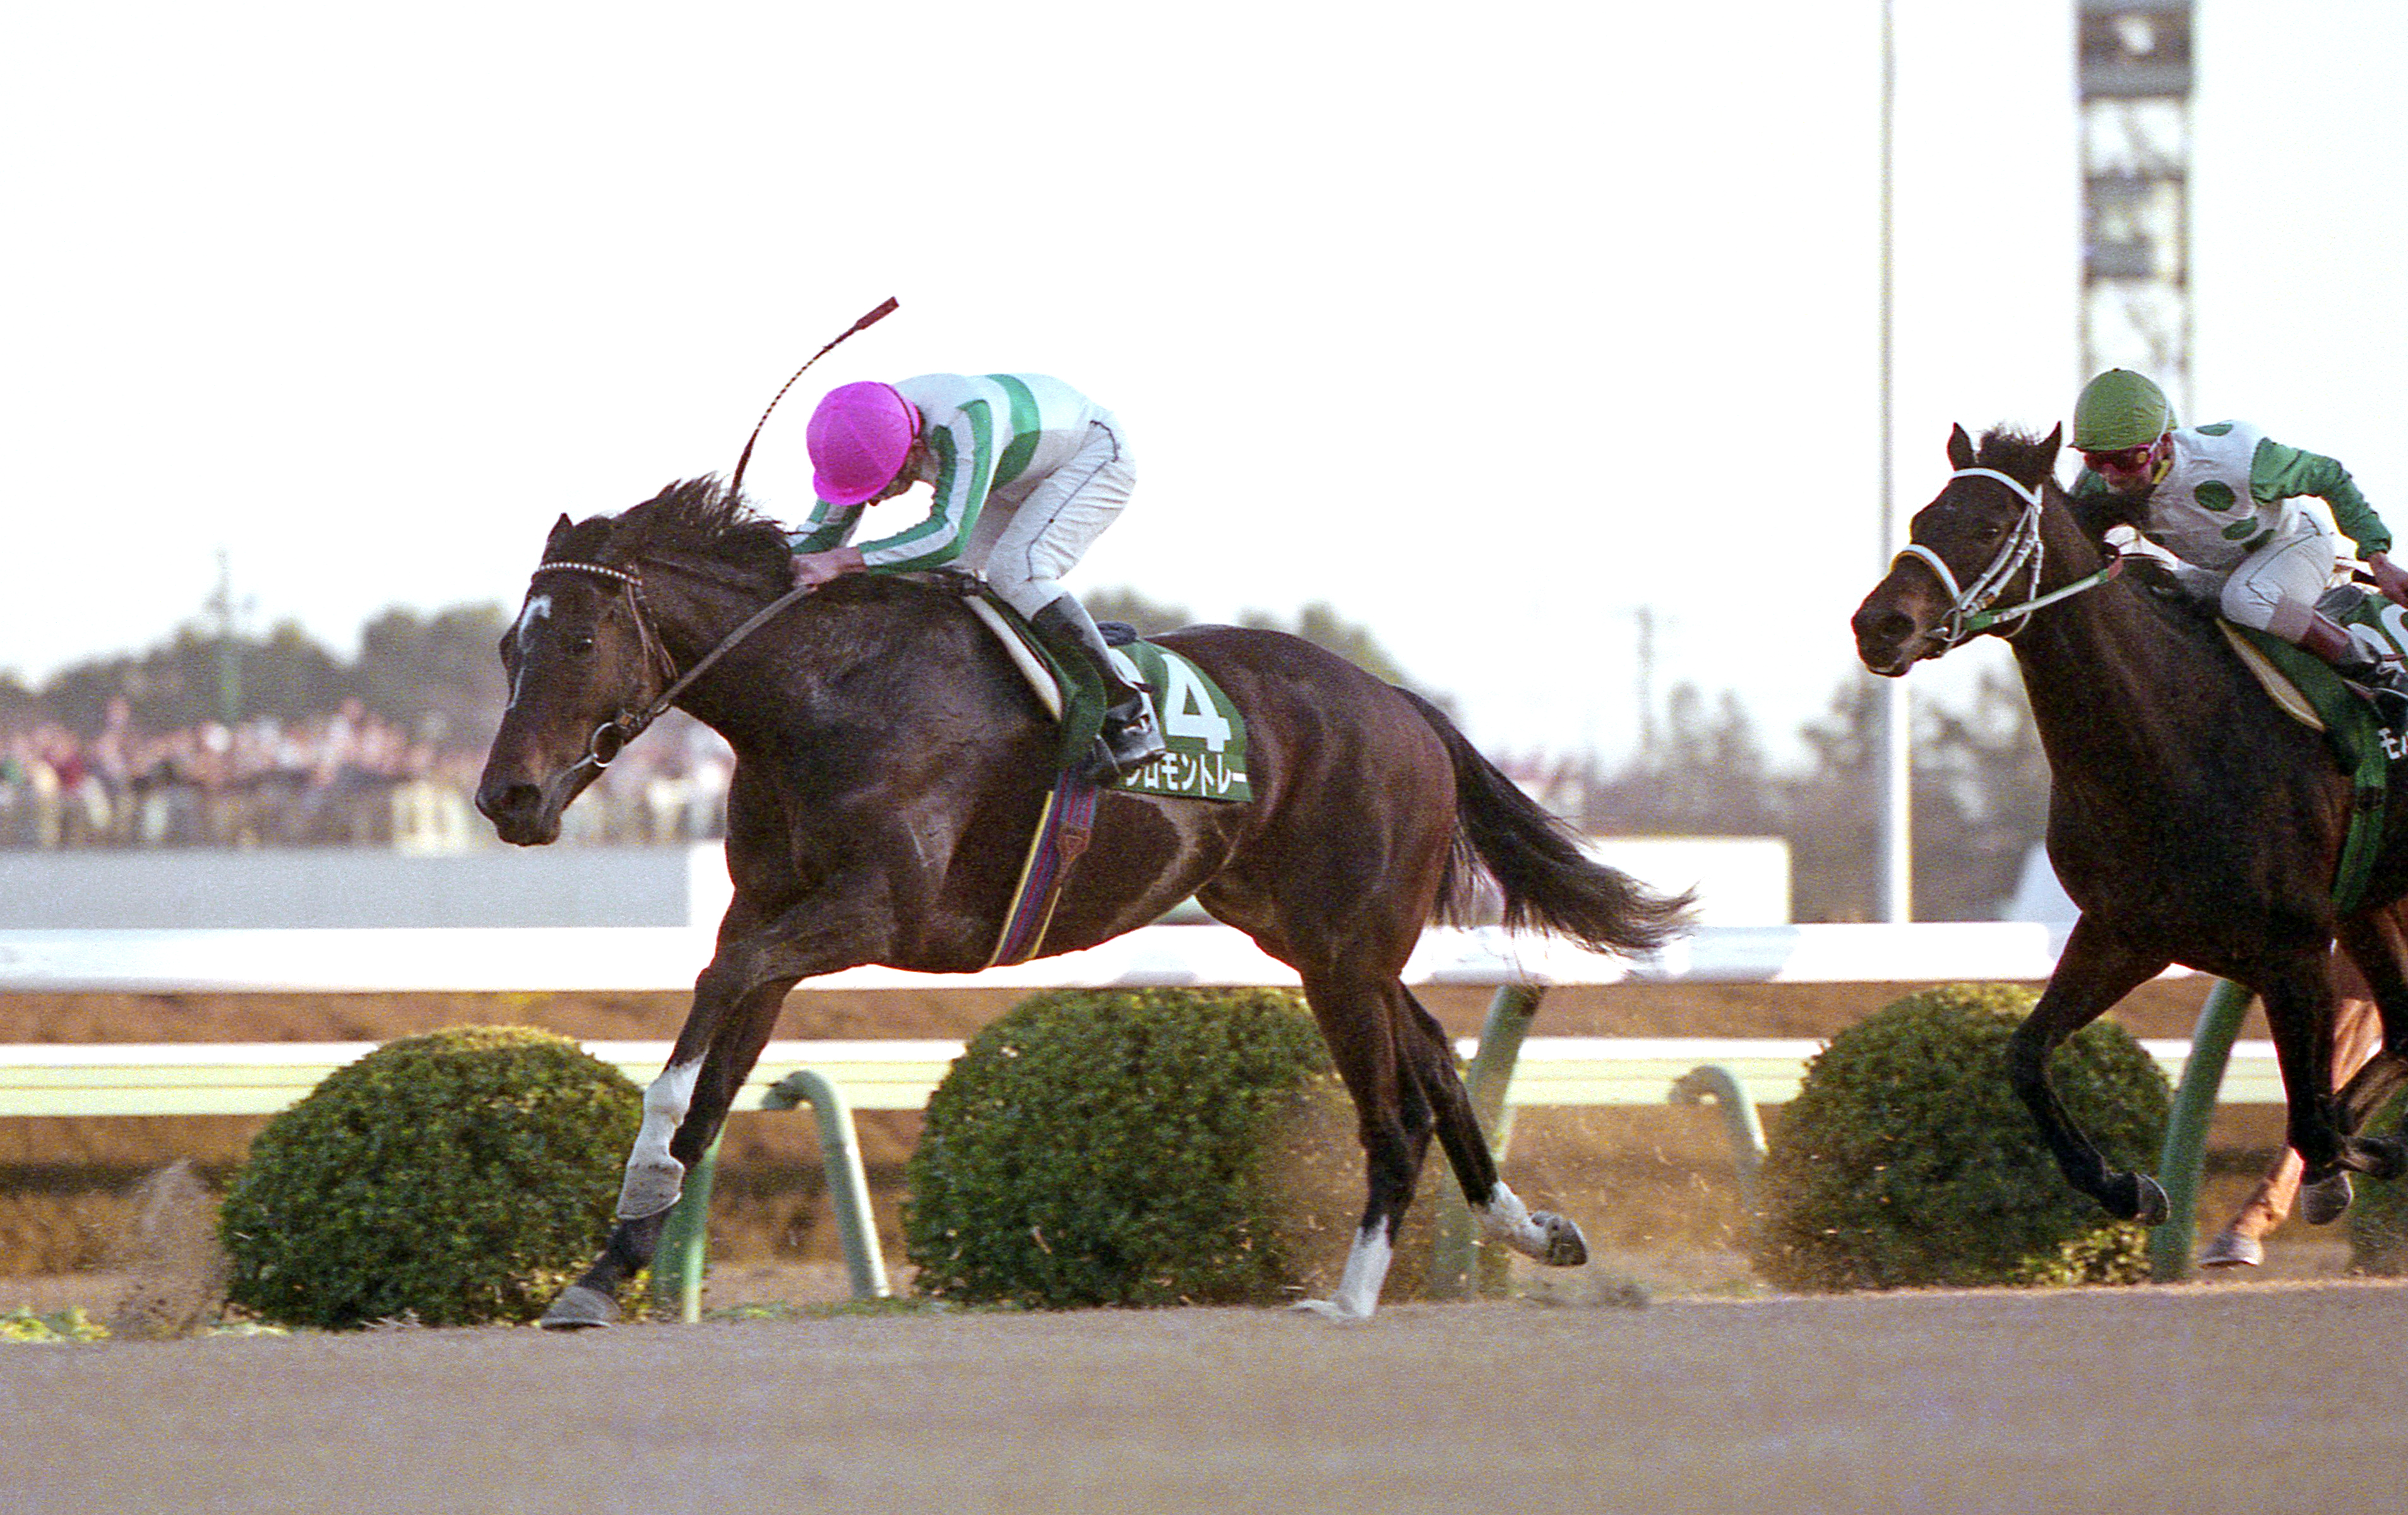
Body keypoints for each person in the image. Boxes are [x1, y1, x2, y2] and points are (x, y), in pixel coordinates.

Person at [785, 373, 1167, 781]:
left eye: (882, 486)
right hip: (1012, 475)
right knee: (945, 580)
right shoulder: (861, 429)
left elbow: (946, 537)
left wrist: (844, 561)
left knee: (1018, 571)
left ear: (913, 450)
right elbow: (818, 538)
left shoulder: (965, 420)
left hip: (1091, 456)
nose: (874, 501)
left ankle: (1125, 709)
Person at [2070, 368, 2408, 724]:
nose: (2111, 475)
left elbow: (2329, 475)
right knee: (2152, 592)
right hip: (2223, 569)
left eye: (2127, 460)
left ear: (2165, 443)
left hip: (2297, 543)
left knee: (2245, 597)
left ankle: (2381, 676)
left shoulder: (2239, 460)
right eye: (2094, 460)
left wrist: (2379, 560)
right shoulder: (2097, 484)